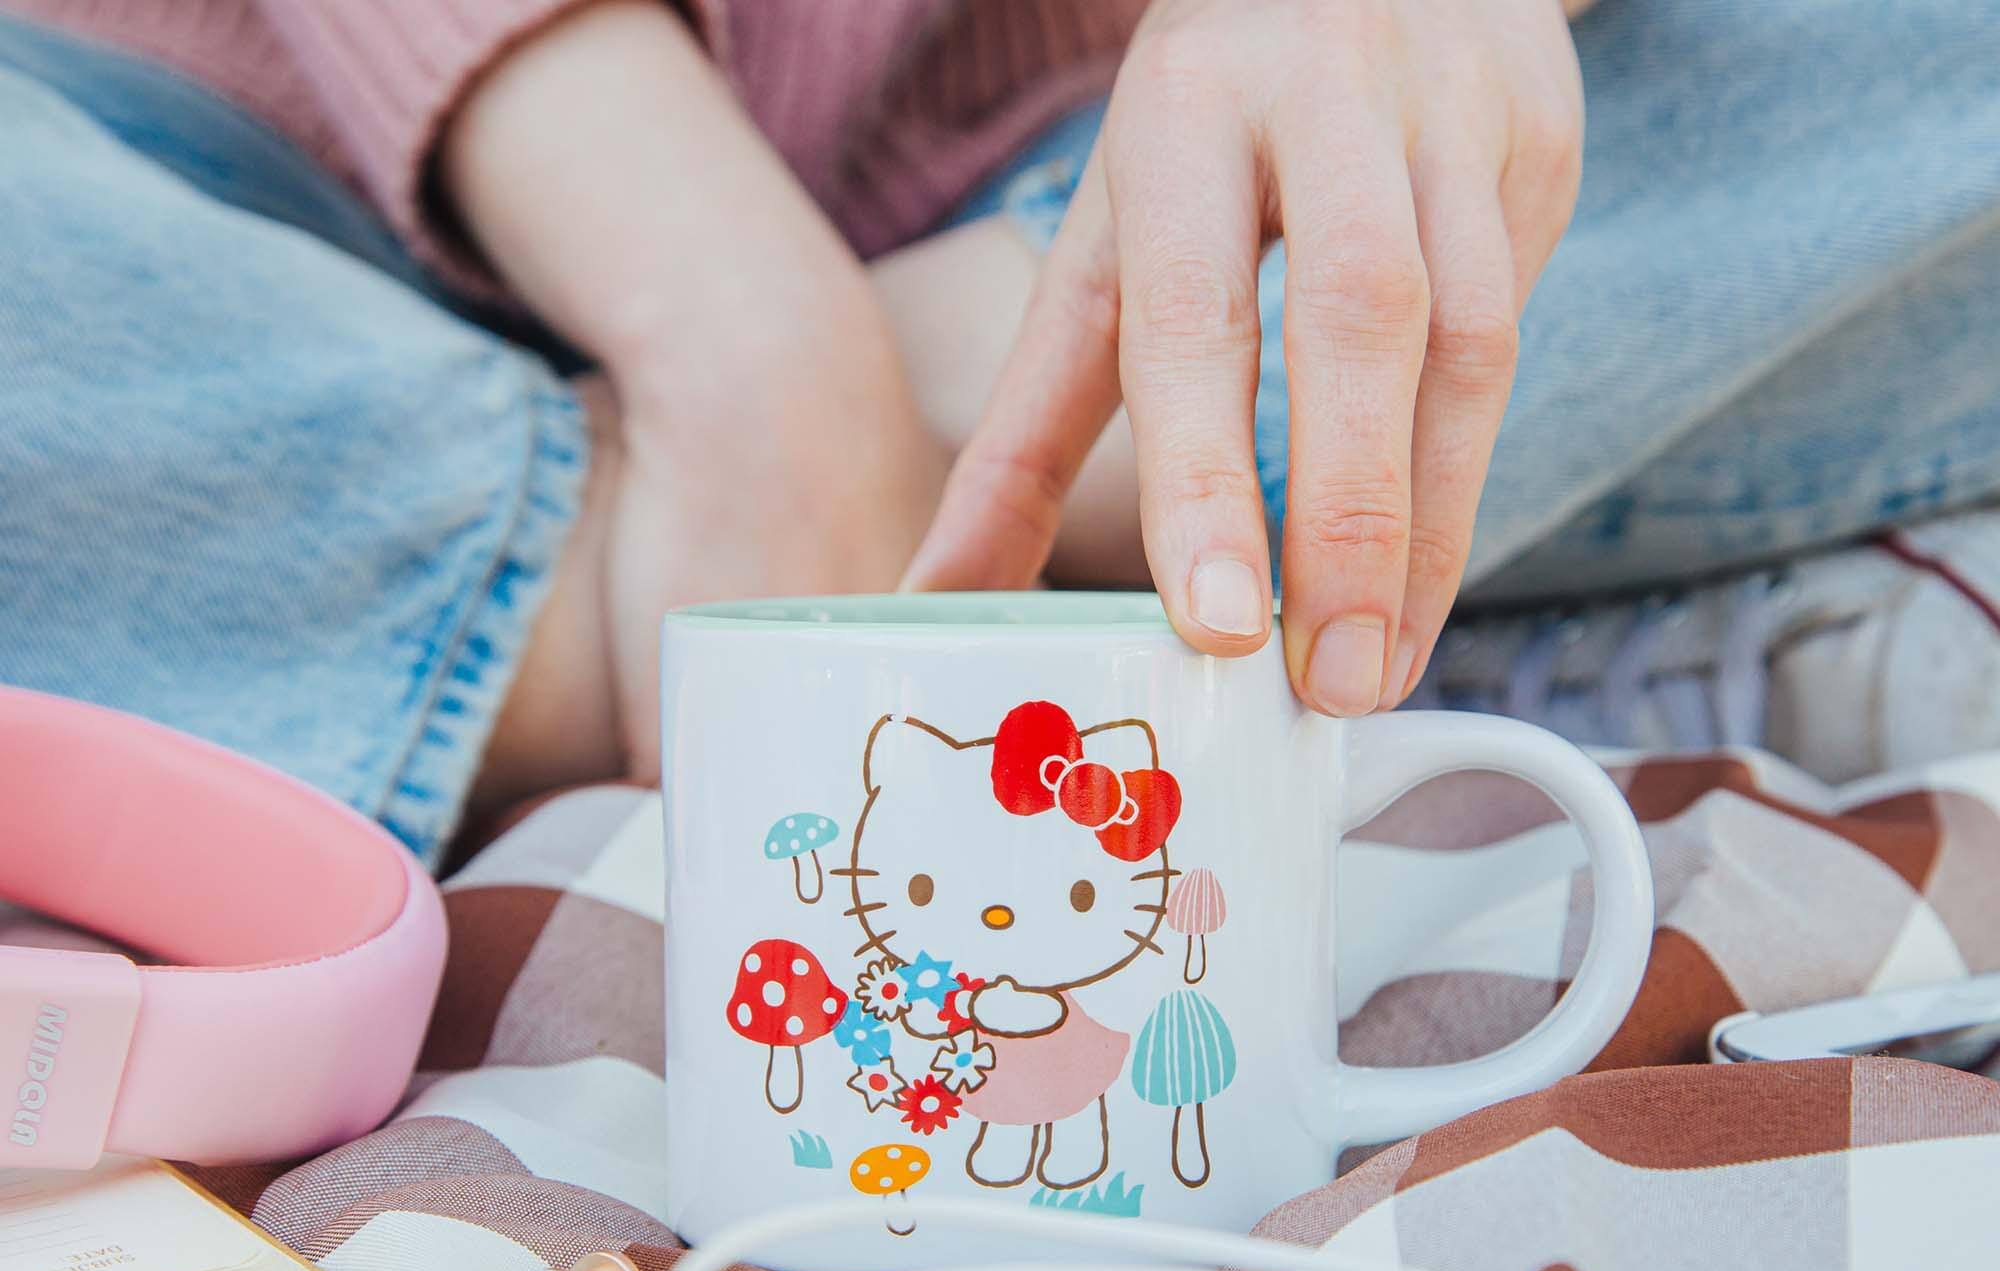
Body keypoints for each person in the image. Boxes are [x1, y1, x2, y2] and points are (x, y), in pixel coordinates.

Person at [2, 0, 1997, 866]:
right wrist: (750, 337)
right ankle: (1220, 587)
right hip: (241, 197)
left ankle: (412, 607)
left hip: (1170, 167)